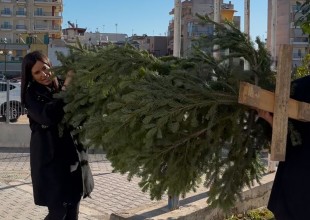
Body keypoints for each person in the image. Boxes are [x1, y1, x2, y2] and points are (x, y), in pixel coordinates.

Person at [21, 51, 84, 220]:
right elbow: (49, 116)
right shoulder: (32, 95)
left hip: (72, 159)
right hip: (50, 163)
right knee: (58, 212)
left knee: (72, 211)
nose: (43, 74)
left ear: (50, 65)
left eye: (45, 68)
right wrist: (66, 89)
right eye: (36, 72)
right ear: (31, 76)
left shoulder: (62, 84)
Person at [258, 75, 310, 220]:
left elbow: (281, 135)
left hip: (292, 180)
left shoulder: (295, 87)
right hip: (295, 179)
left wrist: (269, 121)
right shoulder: (296, 88)